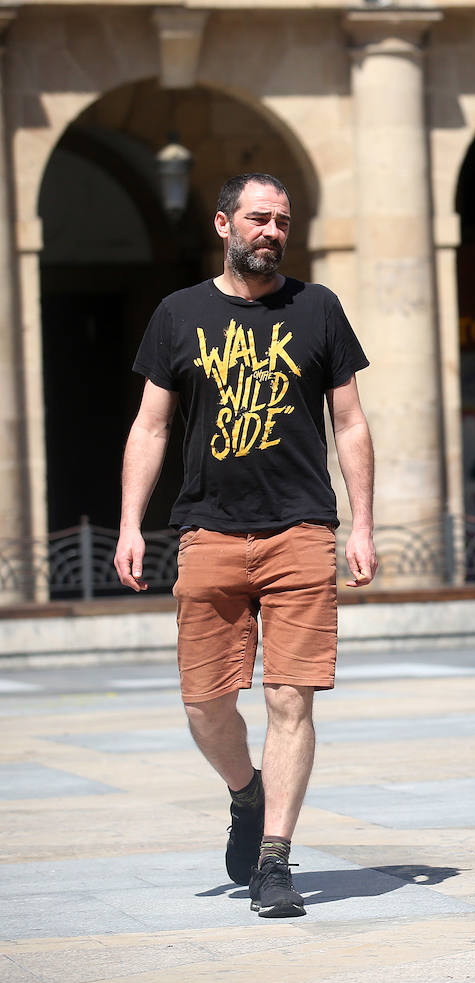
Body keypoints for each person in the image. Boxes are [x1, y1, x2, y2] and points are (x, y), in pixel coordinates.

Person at [114, 173, 376, 919]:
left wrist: (360, 523)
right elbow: (151, 426)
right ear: (224, 223)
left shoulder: (318, 308)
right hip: (208, 530)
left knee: (290, 697)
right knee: (204, 703)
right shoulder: (178, 313)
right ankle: (245, 791)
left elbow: (350, 423)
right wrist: (132, 521)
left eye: (282, 221)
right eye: (258, 218)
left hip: (300, 528)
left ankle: (275, 859)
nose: (272, 231)